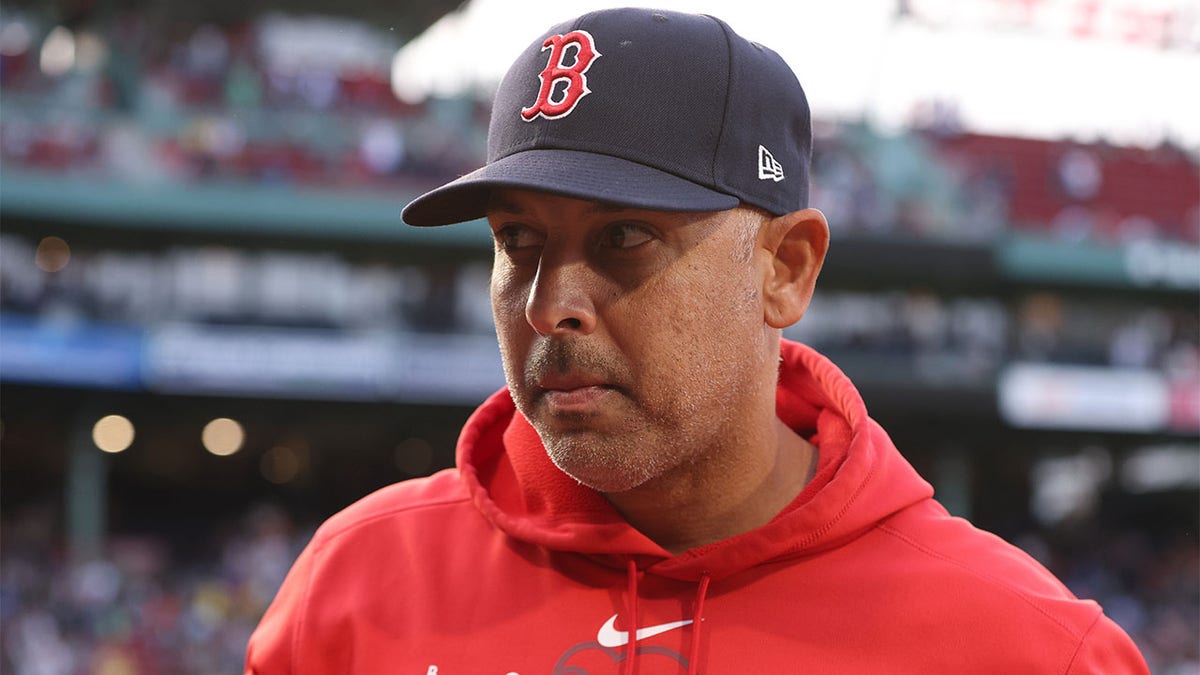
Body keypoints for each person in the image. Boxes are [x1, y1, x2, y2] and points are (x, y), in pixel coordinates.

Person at [245, 7, 1148, 674]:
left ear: (785, 268)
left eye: (624, 238)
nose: (549, 305)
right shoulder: (356, 584)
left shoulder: (1027, 646)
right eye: (518, 241)